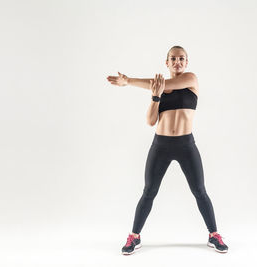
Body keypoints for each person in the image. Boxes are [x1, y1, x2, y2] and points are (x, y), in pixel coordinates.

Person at [107, 46, 228, 255]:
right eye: (173, 59)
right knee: (149, 192)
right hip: (161, 145)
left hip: (186, 145)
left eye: (181, 58)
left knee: (199, 191)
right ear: (167, 63)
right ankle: (134, 237)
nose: (177, 62)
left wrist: (129, 81)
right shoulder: (158, 89)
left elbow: (167, 84)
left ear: (186, 62)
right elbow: (150, 121)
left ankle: (214, 234)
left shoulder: (190, 79)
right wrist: (155, 97)